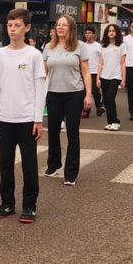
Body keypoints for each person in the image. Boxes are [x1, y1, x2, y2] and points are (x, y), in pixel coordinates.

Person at [0, 8, 45, 223]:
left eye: (17, 25)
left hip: (27, 119)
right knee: (5, 163)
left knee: (29, 163)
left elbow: (40, 88)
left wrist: (38, 119)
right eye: (10, 25)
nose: (12, 29)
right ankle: (7, 203)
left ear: (27, 28)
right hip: (5, 118)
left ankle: (29, 205)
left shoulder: (34, 55)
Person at [42, 15, 94, 185]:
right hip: (53, 94)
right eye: (58, 25)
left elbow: (86, 72)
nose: (60, 27)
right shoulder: (49, 47)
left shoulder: (80, 46)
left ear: (71, 28)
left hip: (74, 94)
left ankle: (71, 172)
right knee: (53, 131)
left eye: (64, 25)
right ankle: (53, 163)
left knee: (72, 133)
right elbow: (43, 73)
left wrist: (88, 94)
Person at [96, 24, 127, 131]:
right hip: (104, 76)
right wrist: (98, 78)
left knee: (110, 97)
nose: (111, 33)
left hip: (116, 76)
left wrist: (123, 79)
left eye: (113, 31)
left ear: (117, 32)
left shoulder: (121, 46)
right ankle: (110, 122)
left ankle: (116, 121)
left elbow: (123, 63)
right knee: (106, 99)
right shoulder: (102, 46)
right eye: (109, 31)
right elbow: (100, 63)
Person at [83, 26, 103, 117]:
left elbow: (101, 60)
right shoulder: (82, 46)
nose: (87, 35)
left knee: (95, 92)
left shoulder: (98, 46)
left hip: (95, 72)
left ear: (94, 35)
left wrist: (100, 73)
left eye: (89, 33)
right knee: (85, 92)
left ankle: (99, 106)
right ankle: (86, 110)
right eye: (86, 33)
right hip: (85, 71)